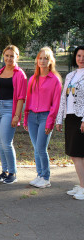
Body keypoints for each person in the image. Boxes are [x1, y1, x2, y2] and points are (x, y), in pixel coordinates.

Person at [0, 45, 27, 184]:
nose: (9, 58)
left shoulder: (20, 74)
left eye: (12, 55)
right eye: (7, 55)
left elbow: (21, 97)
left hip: (10, 109)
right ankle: (4, 171)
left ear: (17, 57)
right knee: (0, 143)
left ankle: (13, 172)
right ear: (3, 56)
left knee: (6, 142)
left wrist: (17, 116)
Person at [24, 47, 62, 188]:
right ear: (37, 61)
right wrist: (26, 117)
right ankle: (39, 175)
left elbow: (56, 104)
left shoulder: (55, 80)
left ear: (51, 61)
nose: (43, 61)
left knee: (41, 148)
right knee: (36, 148)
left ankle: (46, 178)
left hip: (46, 116)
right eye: (40, 58)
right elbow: (29, 100)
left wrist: (50, 122)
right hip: (33, 116)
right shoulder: (33, 79)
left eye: (46, 58)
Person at [56, 46, 84, 200]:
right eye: (79, 55)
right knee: (75, 154)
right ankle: (81, 184)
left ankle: (83, 187)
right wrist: (59, 119)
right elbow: (63, 98)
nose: (81, 58)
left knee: (78, 154)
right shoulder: (70, 75)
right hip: (70, 117)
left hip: (81, 118)